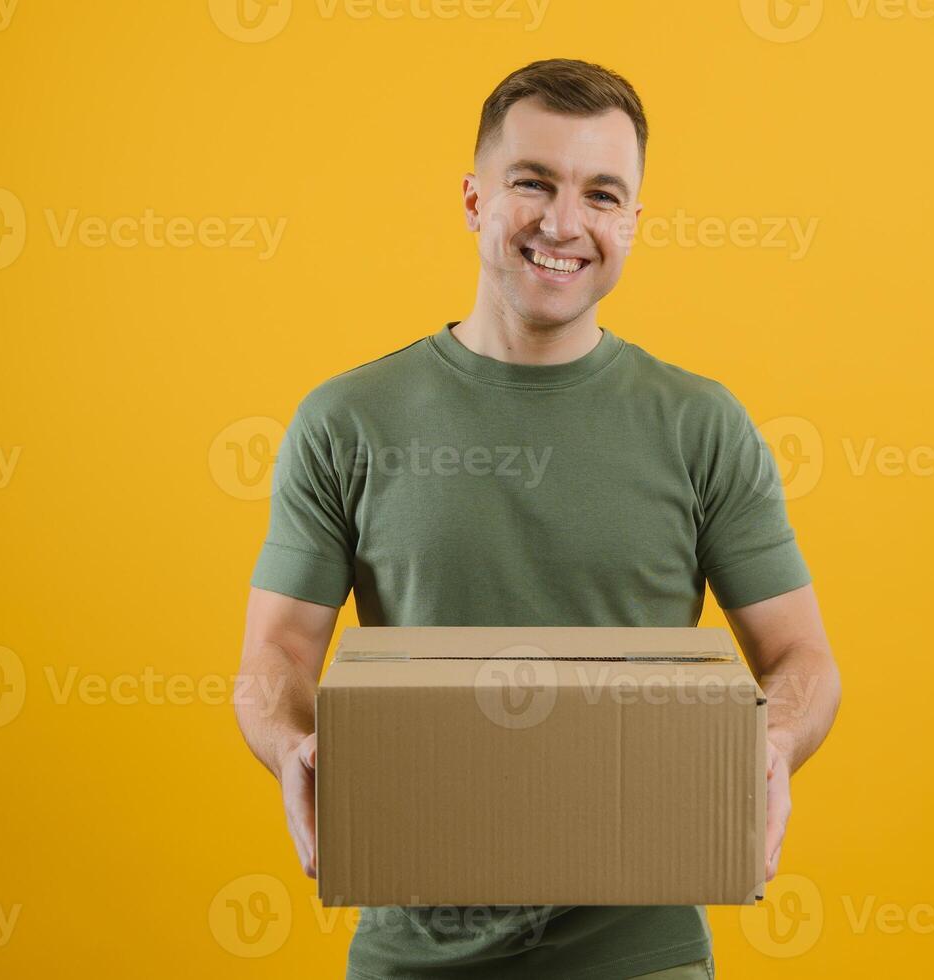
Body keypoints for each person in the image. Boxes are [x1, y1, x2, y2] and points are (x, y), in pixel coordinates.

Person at [235, 57, 841, 980]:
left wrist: (772, 743)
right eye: (533, 183)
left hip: (640, 949)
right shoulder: (347, 421)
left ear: (633, 223)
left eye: (602, 194)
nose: (564, 224)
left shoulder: (700, 426)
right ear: (475, 199)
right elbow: (273, 657)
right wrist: (294, 747)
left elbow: (804, 659)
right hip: (413, 946)